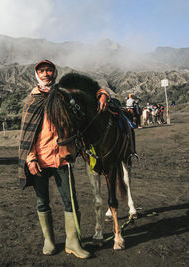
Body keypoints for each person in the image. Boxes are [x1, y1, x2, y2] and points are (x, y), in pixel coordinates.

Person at [18, 60, 109, 259]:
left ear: (54, 72)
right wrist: (30, 158)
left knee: (71, 202)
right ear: (37, 74)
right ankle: (49, 241)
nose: (45, 74)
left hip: (61, 158)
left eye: (49, 70)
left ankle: (73, 243)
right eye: (41, 71)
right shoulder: (32, 100)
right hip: (39, 159)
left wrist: (103, 93)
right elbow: (27, 134)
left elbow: (87, 93)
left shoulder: (63, 94)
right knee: (42, 202)